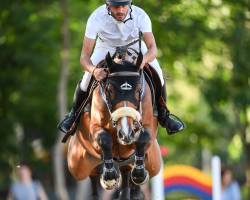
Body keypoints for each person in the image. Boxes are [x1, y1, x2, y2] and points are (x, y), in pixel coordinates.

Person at [57, 0, 185, 135]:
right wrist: (94, 71)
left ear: (129, 4)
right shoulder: (96, 17)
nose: (121, 10)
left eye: (124, 6)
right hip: (105, 46)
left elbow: (153, 49)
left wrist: (143, 61)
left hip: (134, 45)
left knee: (158, 73)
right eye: (116, 6)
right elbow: (84, 57)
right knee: (86, 78)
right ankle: (73, 115)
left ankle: (164, 115)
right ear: (108, 5)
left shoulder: (141, 15)